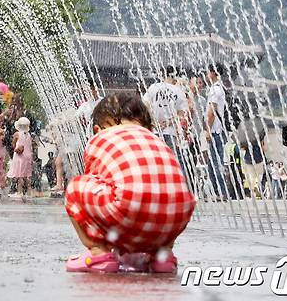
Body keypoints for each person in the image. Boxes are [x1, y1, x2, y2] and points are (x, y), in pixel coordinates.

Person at [65, 92, 195, 274]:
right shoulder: (155, 139)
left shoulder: (101, 137)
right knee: (165, 193)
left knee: (77, 187)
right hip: (178, 214)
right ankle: (162, 255)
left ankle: (97, 253)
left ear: (98, 128)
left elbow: (99, 186)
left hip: (127, 208)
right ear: (147, 125)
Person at [143, 66, 189, 175]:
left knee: (154, 163)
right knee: (169, 164)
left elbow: (144, 105)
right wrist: (168, 122)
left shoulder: (153, 87)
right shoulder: (177, 91)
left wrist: (153, 122)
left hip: (154, 132)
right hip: (170, 132)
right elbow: (182, 112)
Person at [204, 63, 229, 201]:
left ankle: (221, 192)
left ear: (213, 72)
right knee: (212, 164)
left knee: (216, 163)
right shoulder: (218, 88)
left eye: (208, 71)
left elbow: (212, 111)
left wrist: (207, 129)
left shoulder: (216, 90)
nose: (207, 74)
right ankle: (216, 192)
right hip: (216, 131)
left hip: (214, 131)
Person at [7, 117, 33, 201]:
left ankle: (19, 192)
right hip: (28, 156)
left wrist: (16, 148)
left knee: (20, 175)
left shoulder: (17, 134)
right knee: (27, 175)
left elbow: (13, 144)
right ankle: (29, 192)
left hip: (19, 157)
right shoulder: (29, 135)